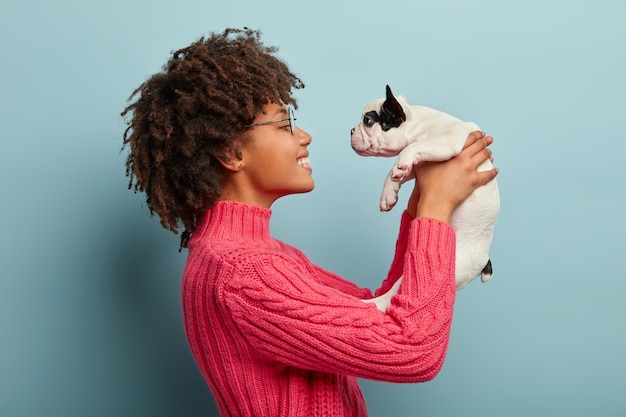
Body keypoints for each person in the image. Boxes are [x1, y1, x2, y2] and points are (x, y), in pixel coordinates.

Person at [121, 28, 498, 417]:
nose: (305, 136)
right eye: (285, 125)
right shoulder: (244, 274)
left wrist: (421, 203)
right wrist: (436, 208)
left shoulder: (258, 257)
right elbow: (412, 349)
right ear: (230, 152)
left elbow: (378, 307)